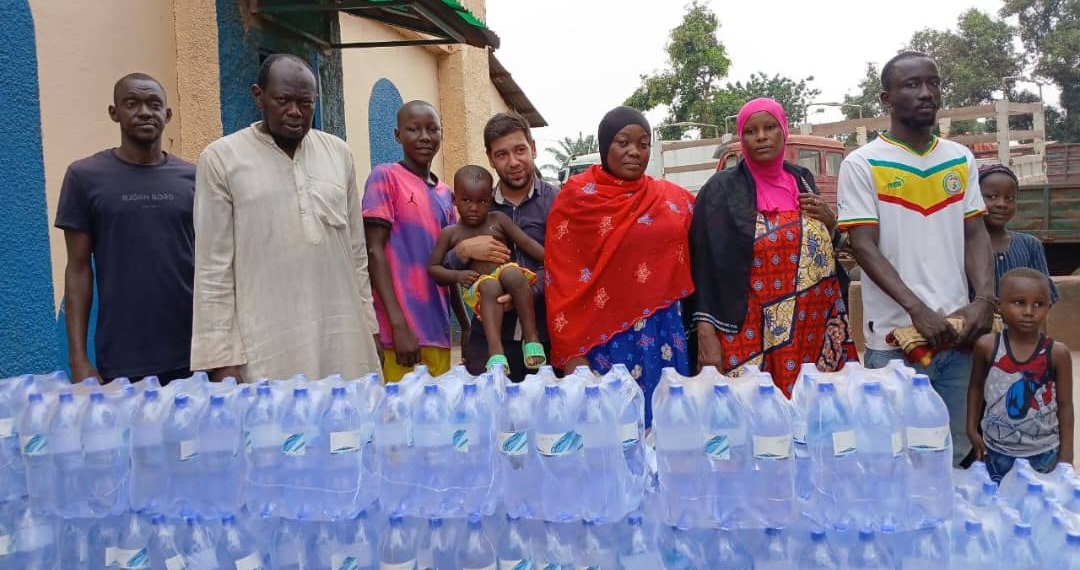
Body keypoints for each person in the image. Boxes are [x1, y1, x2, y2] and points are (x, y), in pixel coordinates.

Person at [837, 51, 996, 464]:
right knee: (896, 461)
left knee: (958, 454)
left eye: (933, 83)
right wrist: (917, 310)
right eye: (912, 85)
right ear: (886, 99)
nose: (927, 93)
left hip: (959, 337)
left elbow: (975, 233)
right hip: (895, 341)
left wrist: (984, 301)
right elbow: (863, 246)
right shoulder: (862, 164)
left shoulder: (959, 159)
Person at [190, 54, 380, 382]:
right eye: (283, 100)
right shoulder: (221, 159)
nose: (295, 112)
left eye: (305, 103)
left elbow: (356, 254)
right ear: (258, 95)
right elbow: (212, 268)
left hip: (343, 341)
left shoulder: (339, 154)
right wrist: (221, 357)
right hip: (264, 349)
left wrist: (369, 328)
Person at [689, 98, 857, 397]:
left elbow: (822, 247)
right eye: (751, 131)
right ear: (742, 139)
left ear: (784, 130)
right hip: (747, 329)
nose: (761, 136)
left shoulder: (801, 180)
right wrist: (706, 333)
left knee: (813, 414)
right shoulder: (721, 190)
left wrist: (830, 222)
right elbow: (704, 267)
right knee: (755, 417)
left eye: (769, 127)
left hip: (811, 326)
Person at [545, 106, 695, 427]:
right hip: (603, 339)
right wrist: (572, 352)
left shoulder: (669, 197)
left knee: (666, 428)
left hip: (662, 331)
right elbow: (561, 276)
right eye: (623, 142)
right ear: (604, 146)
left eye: (643, 144)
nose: (634, 152)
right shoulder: (576, 200)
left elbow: (711, 231)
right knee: (611, 430)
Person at [55, 73, 195, 385]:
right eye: (132, 103)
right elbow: (77, 270)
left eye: (154, 104)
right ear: (114, 112)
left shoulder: (193, 178)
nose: (144, 111)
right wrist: (78, 359)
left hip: (193, 354)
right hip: (122, 358)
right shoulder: (85, 177)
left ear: (167, 115)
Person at [447, 112, 558, 381]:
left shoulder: (558, 202)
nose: (513, 162)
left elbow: (566, 265)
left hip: (545, 339)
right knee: (494, 420)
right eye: (502, 154)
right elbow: (443, 266)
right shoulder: (476, 205)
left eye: (520, 150)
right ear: (489, 158)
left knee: (548, 417)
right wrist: (462, 252)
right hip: (490, 342)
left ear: (533, 148)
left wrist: (527, 290)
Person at [363, 100, 464, 382]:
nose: (424, 137)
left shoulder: (445, 194)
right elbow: (374, 251)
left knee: (435, 420)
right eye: (414, 129)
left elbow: (447, 266)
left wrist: (464, 325)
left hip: (438, 332)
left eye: (432, 129)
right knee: (402, 419)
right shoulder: (385, 177)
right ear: (398, 135)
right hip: (400, 335)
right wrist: (397, 324)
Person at [428, 165, 547, 371]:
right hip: (478, 288)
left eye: (481, 201)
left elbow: (526, 243)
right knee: (490, 286)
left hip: (505, 277)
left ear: (490, 201)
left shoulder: (498, 220)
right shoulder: (451, 233)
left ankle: (531, 339)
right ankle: (495, 351)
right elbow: (434, 269)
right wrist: (458, 275)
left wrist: (553, 260)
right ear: (454, 199)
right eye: (466, 200)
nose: (474, 207)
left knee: (512, 272)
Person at [966, 267, 1072, 482]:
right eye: (1019, 302)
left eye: (1038, 304)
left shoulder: (1057, 353)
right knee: (998, 508)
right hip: (996, 450)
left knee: (1037, 508)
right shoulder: (987, 346)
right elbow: (975, 388)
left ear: (1049, 308)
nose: (1029, 311)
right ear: (999, 306)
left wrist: (1067, 455)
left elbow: (1065, 405)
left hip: (1043, 453)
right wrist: (970, 429)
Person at [978, 163, 1059, 302]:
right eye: (991, 196)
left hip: (1021, 324)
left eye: (1009, 198)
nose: (1001, 204)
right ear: (973, 198)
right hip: (975, 323)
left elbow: (1044, 299)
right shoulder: (963, 246)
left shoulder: (1030, 245)